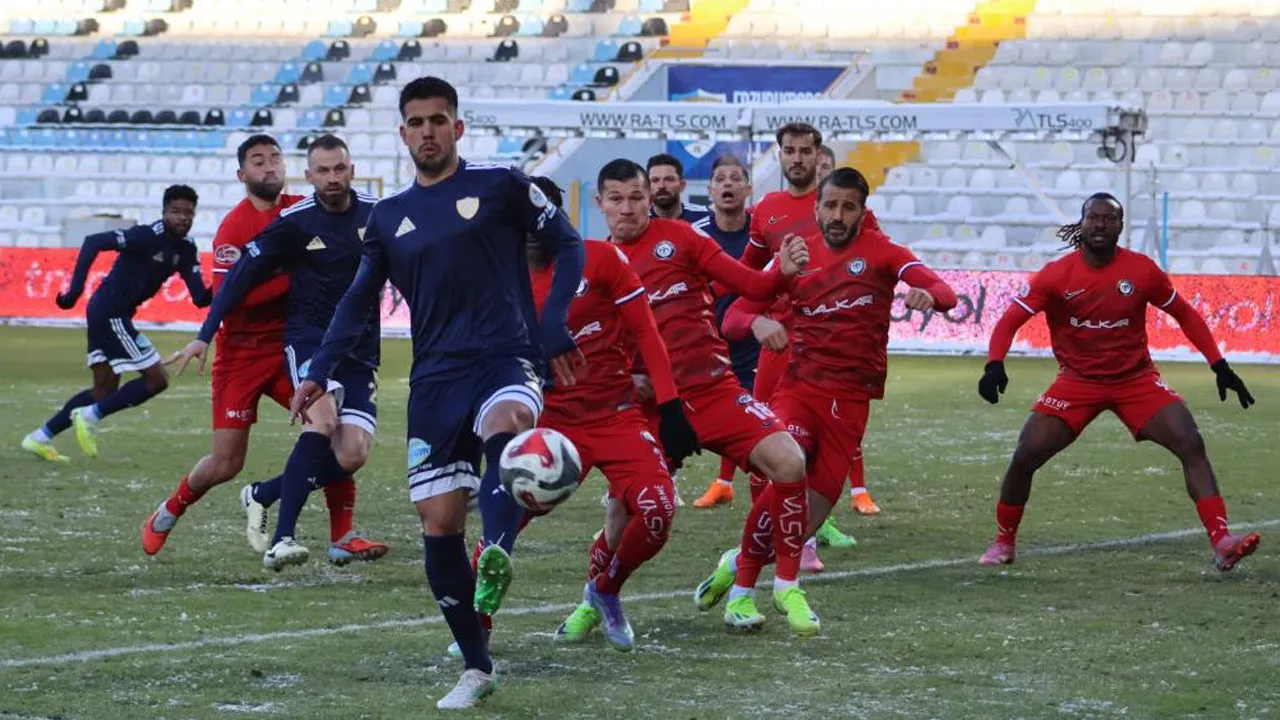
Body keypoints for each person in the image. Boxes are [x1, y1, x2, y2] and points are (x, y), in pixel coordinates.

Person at [296, 77, 585, 710]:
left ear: (458, 127)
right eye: (417, 122)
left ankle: (498, 549)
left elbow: (568, 243)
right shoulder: (387, 218)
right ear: (403, 133)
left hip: (505, 356)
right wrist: (320, 369)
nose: (428, 131)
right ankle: (477, 667)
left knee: (507, 425)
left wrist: (553, 324)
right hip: (434, 380)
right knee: (438, 523)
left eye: (438, 120)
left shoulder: (502, 185)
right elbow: (356, 300)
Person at [701, 167, 957, 627]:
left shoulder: (883, 252)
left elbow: (945, 292)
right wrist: (758, 322)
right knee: (787, 474)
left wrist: (927, 295)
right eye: (831, 206)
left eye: (848, 207)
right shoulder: (795, 256)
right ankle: (749, 596)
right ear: (816, 208)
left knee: (804, 521)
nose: (838, 216)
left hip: (852, 403)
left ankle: (735, 562)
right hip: (800, 390)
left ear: (862, 212)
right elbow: (734, 316)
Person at [597, 157, 825, 636]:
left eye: (636, 197)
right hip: (654, 408)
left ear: (651, 198)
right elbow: (591, 346)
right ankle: (595, 597)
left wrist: (782, 272)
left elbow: (751, 284)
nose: (628, 208)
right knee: (621, 516)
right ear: (600, 204)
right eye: (616, 199)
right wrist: (626, 382)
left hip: (715, 390)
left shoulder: (682, 237)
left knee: (790, 463)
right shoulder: (596, 263)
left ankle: (785, 586)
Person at [975, 192, 1260, 571]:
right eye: (1093, 217)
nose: (1100, 224)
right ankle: (1003, 542)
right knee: (1026, 454)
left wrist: (1219, 365)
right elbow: (1010, 320)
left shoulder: (1141, 270)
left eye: (1109, 218)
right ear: (1082, 223)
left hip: (1135, 379)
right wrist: (994, 364)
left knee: (1190, 442)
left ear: (1121, 226)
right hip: (1077, 382)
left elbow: (1185, 314)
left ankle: (1222, 542)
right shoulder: (1056, 275)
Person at [166, 134, 387, 569]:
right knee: (322, 421)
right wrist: (205, 334)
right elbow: (237, 280)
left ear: (352, 170)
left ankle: (264, 493)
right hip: (308, 340)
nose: (332, 178)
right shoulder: (293, 221)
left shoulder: (378, 213)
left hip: (360, 347)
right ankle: (282, 539)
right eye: (322, 171)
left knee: (352, 454)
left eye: (339, 168)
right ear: (309, 176)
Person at [521, 176, 696, 651]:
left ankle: (606, 590)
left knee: (657, 510)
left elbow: (647, 335)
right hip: (553, 423)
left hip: (617, 417)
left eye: (543, 214)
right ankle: (477, 627)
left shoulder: (600, 258)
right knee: (504, 522)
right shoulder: (498, 277)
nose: (535, 226)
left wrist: (670, 407)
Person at [23, 185, 210, 463]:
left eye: (188, 213)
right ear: (164, 212)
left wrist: (234, 277)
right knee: (157, 380)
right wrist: (75, 291)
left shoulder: (185, 248)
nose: (182, 217)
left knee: (104, 390)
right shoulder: (146, 235)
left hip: (109, 313)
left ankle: (39, 437)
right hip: (110, 313)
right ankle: (89, 416)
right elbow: (92, 242)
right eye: (176, 211)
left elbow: (201, 298)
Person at [689, 154, 761, 509]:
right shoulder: (696, 234)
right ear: (710, 190)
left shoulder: (761, 232)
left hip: (758, 341)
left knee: (766, 422)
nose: (728, 183)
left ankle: (742, 487)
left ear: (748, 188)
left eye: (735, 178)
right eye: (720, 179)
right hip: (709, 344)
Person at [646, 153, 710, 224]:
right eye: (655, 180)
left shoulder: (706, 217)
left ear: (682, 185)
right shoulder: (641, 221)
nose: (662, 186)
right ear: (647, 187)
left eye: (669, 179)